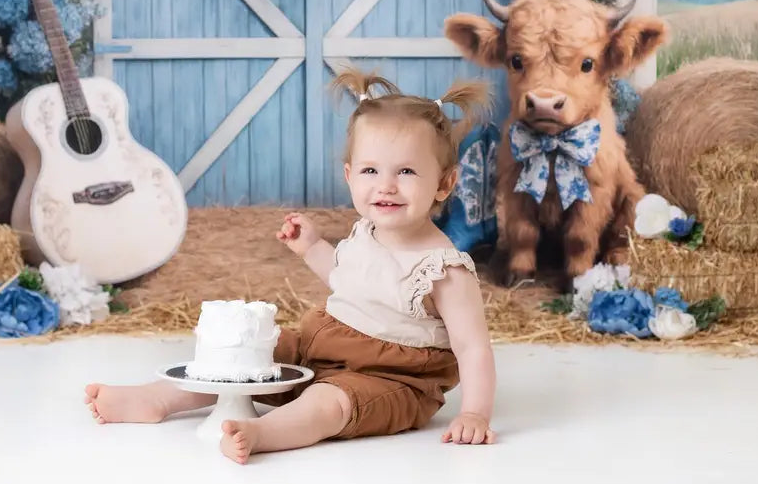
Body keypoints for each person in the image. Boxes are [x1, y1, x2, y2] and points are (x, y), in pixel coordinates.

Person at [83, 67, 498, 463]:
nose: (385, 185)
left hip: (390, 378)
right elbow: (347, 280)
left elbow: (473, 347)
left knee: (331, 402)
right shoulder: (366, 232)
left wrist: (475, 413)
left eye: (406, 171)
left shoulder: (443, 269)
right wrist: (312, 246)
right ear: (350, 176)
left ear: (444, 182)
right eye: (371, 170)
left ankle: (264, 433)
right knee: (250, 353)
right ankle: (159, 398)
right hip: (320, 346)